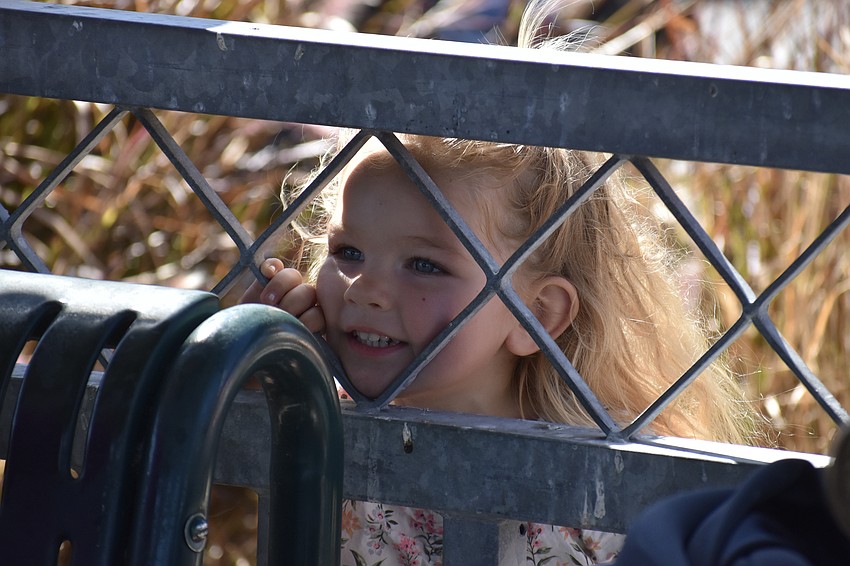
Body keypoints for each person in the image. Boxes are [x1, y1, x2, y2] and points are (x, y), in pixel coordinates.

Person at [240, 3, 757, 563]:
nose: (365, 288)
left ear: (536, 315)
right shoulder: (314, 410)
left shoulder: (590, 499)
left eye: (425, 265)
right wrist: (252, 361)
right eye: (347, 251)